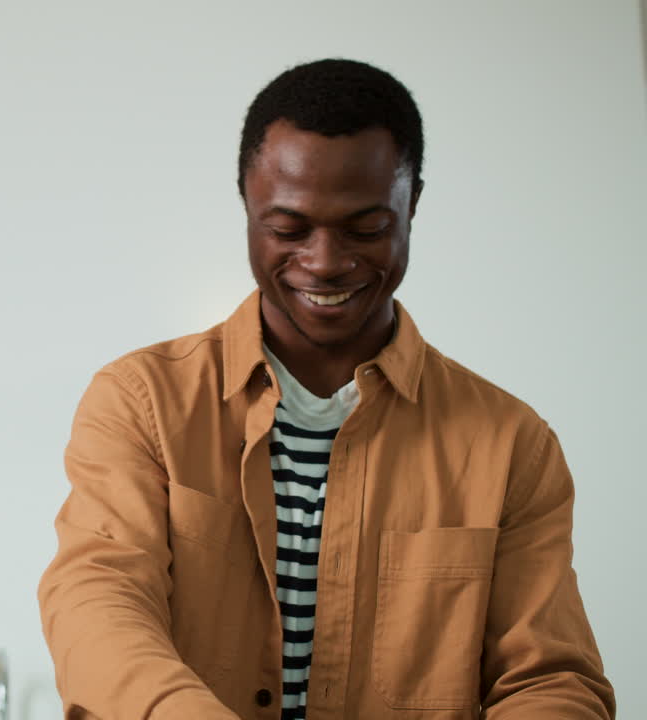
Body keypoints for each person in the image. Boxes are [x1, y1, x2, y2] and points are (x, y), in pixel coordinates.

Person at [37, 58, 615, 720]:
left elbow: (550, 681)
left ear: (412, 203)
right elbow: (97, 602)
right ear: (246, 204)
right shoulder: (141, 402)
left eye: (365, 229)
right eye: (288, 229)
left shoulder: (513, 445)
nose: (325, 261)